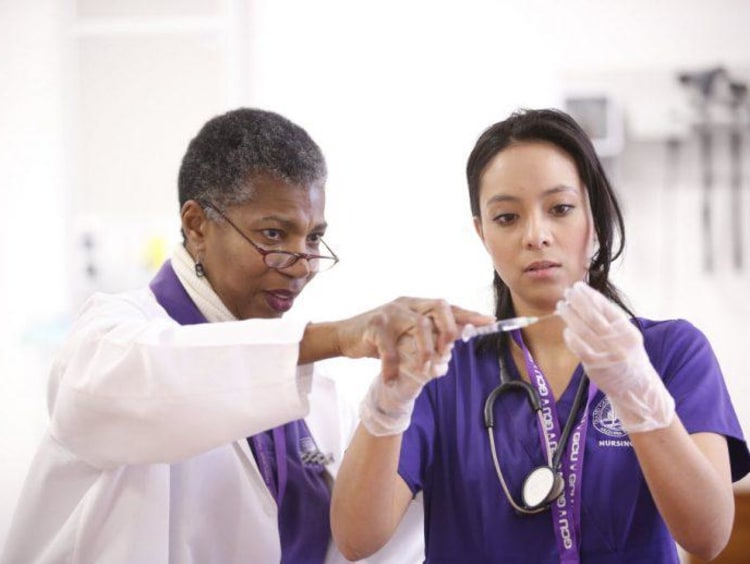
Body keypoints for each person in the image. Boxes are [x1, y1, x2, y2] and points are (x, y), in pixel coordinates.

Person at [0, 108, 491, 564]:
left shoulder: (314, 398)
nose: (302, 265)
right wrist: (340, 337)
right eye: (274, 235)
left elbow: (345, 543)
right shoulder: (106, 341)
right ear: (196, 225)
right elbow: (157, 378)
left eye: (314, 237)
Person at [331, 108, 750, 563]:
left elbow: (707, 538)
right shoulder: (441, 369)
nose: (536, 235)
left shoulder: (671, 354)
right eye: (507, 217)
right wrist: (388, 403)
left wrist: (640, 395)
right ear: (482, 233)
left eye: (561, 209)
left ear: (596, 218)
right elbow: (356, 539)